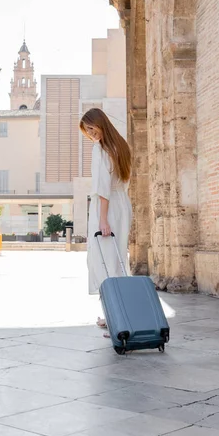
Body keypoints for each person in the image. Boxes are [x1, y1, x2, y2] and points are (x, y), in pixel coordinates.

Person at [79, 108, 132, 329]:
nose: (91, 134)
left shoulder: (100, 150)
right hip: (122, 205)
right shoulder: (120, 146)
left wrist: (102, 219)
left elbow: (102, 189)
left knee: (104, 261)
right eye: (87, 131)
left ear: (101, 123)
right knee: (118, 260)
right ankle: (119, 313)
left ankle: (114, 318)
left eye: (92, 128)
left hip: (107, 209)